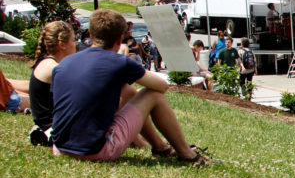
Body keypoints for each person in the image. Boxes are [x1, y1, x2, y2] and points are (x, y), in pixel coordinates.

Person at [49, 9, 211, 165]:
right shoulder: (119, 62)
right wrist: (123, 64)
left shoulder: (64, 63)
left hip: (60, 147)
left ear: (91, 35)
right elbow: (161, 86)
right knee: (153, 95)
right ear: (120, 39)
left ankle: (161, 148)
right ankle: (187, 154)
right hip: (94, 151)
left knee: (128, 91)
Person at [28, 20, 77, 145]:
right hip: (54, 129)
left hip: (49, 126)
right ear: (62, 44)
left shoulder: (48, 63)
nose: (76, 44)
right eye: (73, 40)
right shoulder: (54, 68)